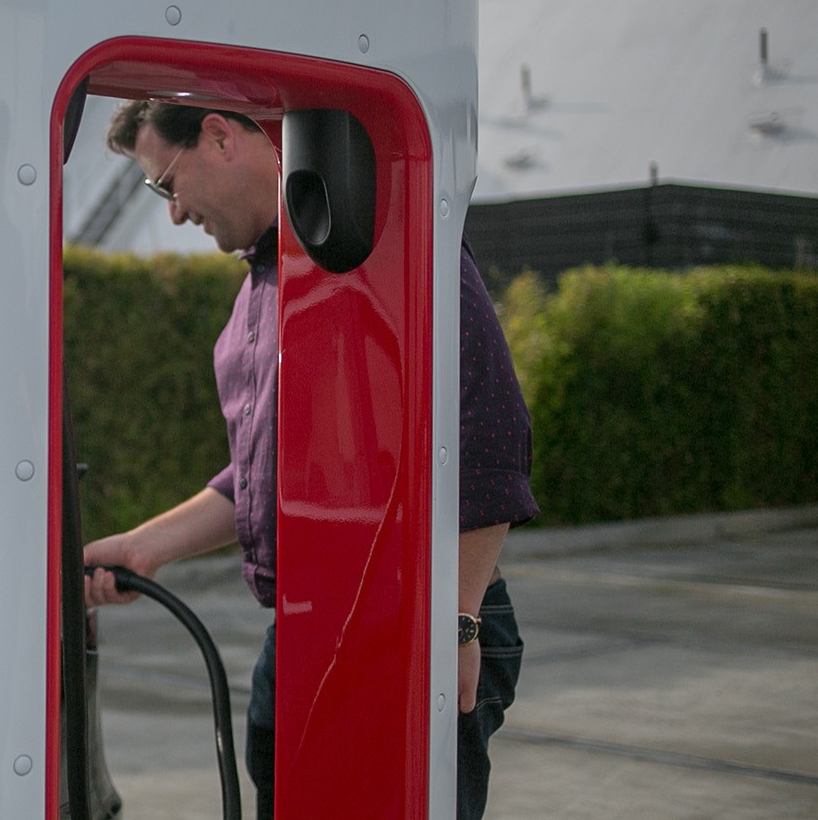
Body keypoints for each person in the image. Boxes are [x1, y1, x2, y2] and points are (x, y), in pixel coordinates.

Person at [81, 99, 537, 820]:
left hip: (410, 624)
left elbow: (487, 433)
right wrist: (145, 547)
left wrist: (454, 622)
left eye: (166, 184)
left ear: (219, 136)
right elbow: (259, 478)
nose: (173, 213)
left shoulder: (384, 241)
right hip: (305, 631)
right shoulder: (257, 292)